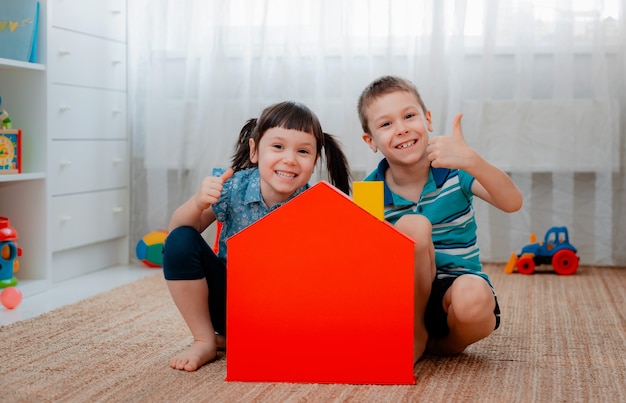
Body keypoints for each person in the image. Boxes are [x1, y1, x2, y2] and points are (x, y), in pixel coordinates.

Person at [163, 101, 351, 372]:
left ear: (315, 161)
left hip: (283, 312)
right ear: (254, 151)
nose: (289, 159)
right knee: (180, 240)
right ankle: (205, 340)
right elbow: (178, 233)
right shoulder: (233, 187)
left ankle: (243, 338)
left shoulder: (314, 204)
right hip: (229, 301)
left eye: (303, 151)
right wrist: (197, 202)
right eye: (278, 147)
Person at [357, 75, 522, 364]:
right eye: (386, 124)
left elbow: (512, 202)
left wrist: (472, 160)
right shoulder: (369, 191)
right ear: (370, 141)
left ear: (428, 120)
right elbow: (367, 266)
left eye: (409, 116)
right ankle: (413, 330)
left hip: (455, 290)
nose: (402, 129)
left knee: (475, 300)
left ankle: (443, 344)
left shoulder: (456, 171)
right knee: (414, 225)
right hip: (402, 298)